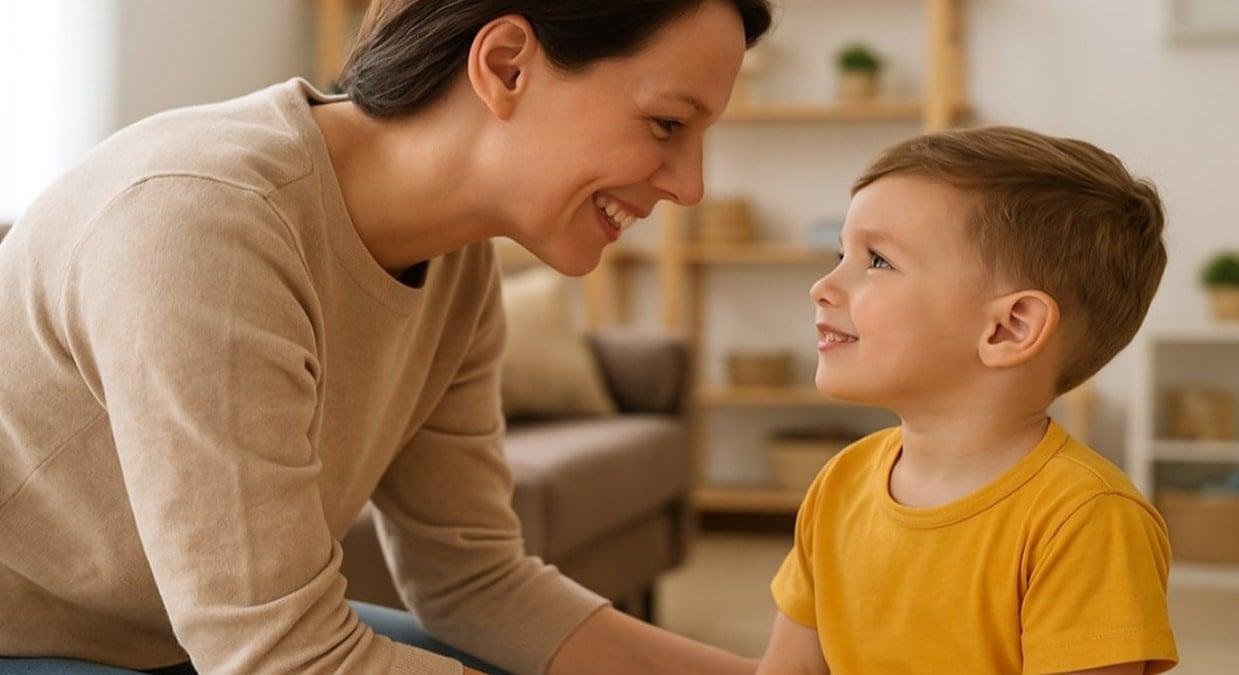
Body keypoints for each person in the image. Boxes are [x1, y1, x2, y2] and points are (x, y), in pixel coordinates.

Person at [0, 1, 772, 673]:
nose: (690, 184)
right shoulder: (205, 224)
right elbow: (281, 658)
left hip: (187, 641)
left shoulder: (457, 268)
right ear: (506, 66)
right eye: (667, 124)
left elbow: (473, 577)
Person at [757, 127, 1178, 675]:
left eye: (877, 261)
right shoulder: (840, 484)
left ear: (1009, 329)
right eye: (842, 252)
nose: (823, 285)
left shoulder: (1088, 520)